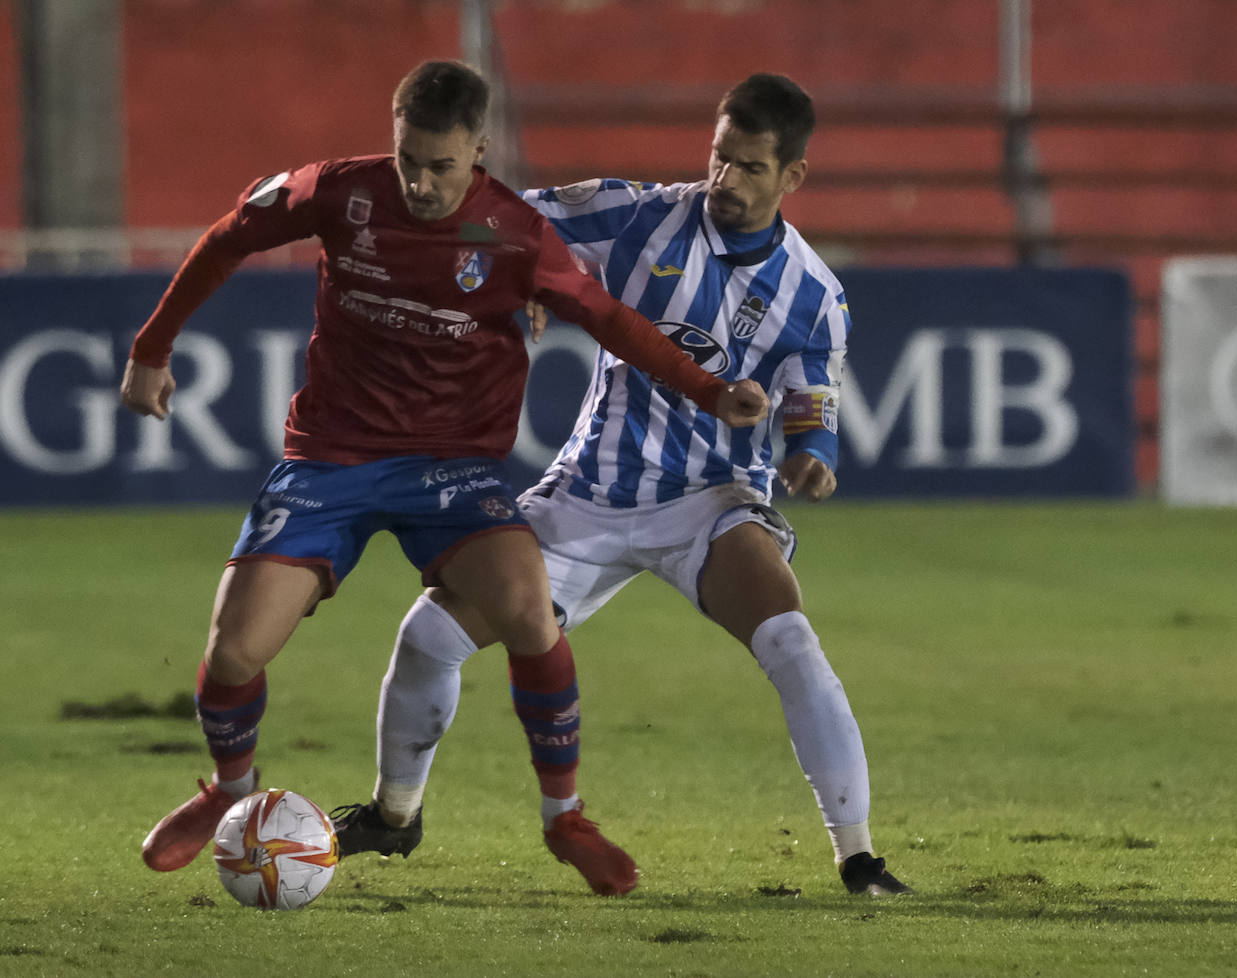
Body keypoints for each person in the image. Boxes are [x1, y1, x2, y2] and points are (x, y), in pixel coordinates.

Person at [120, 59, 768, 897]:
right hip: (332, 458)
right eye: (409, 160)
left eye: (442, 165)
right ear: (394, 141)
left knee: (531, 611)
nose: (422, 182)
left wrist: (712, 391)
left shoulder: (514, 235)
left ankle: (564, 817)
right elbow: (228, 236)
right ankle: (230, 795)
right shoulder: (339, 191)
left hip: (453, 469)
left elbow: (610, 321)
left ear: (479, 152)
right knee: (235, 647)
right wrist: (150, 347)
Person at [337, 73, 910, 896]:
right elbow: (502, 213)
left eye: (751, 168)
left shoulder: (815, 295)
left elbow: (811, 401)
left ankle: (859, 858)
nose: (727, 182)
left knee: (791, 639)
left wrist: (809, 451)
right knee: (428, 636)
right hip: (586, 495)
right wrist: (516, 274)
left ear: (793, 179)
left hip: (711, 500)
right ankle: (395, 817)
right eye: (719, 158)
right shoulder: (638, 213)